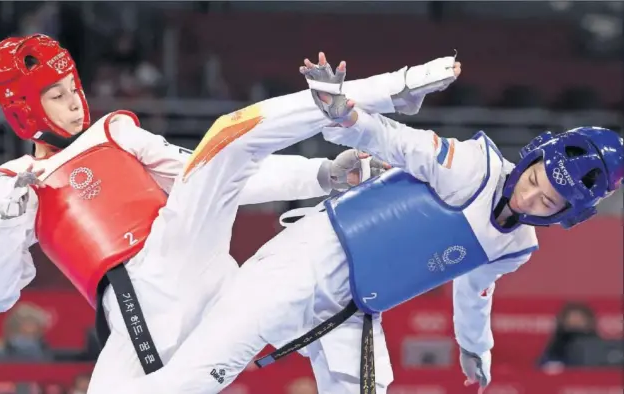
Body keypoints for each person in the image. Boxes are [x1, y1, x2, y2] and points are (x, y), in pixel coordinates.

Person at [114, 54, 623, 394]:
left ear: (568, 216)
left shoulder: (517, 247)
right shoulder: (473, 167)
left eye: (549, 200)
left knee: (369, 385)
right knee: (204, 373)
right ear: (532, 155)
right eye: (535, 177)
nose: (531, 194)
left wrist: (475, 347)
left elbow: (474, 292)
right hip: (308, 261)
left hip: (354, 307)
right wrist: (342, 113)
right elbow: (396, 141)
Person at [0, 36, 455, 392]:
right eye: (55, 96)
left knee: (225, 142)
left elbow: (212, 173)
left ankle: (385, 92)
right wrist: (9, 219)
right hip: (140, 310)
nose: (74, 103)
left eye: (72, 88)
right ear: (25, 111)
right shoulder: (12, 187)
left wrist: (321, 176)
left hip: (182, 245)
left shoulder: (116, 133)